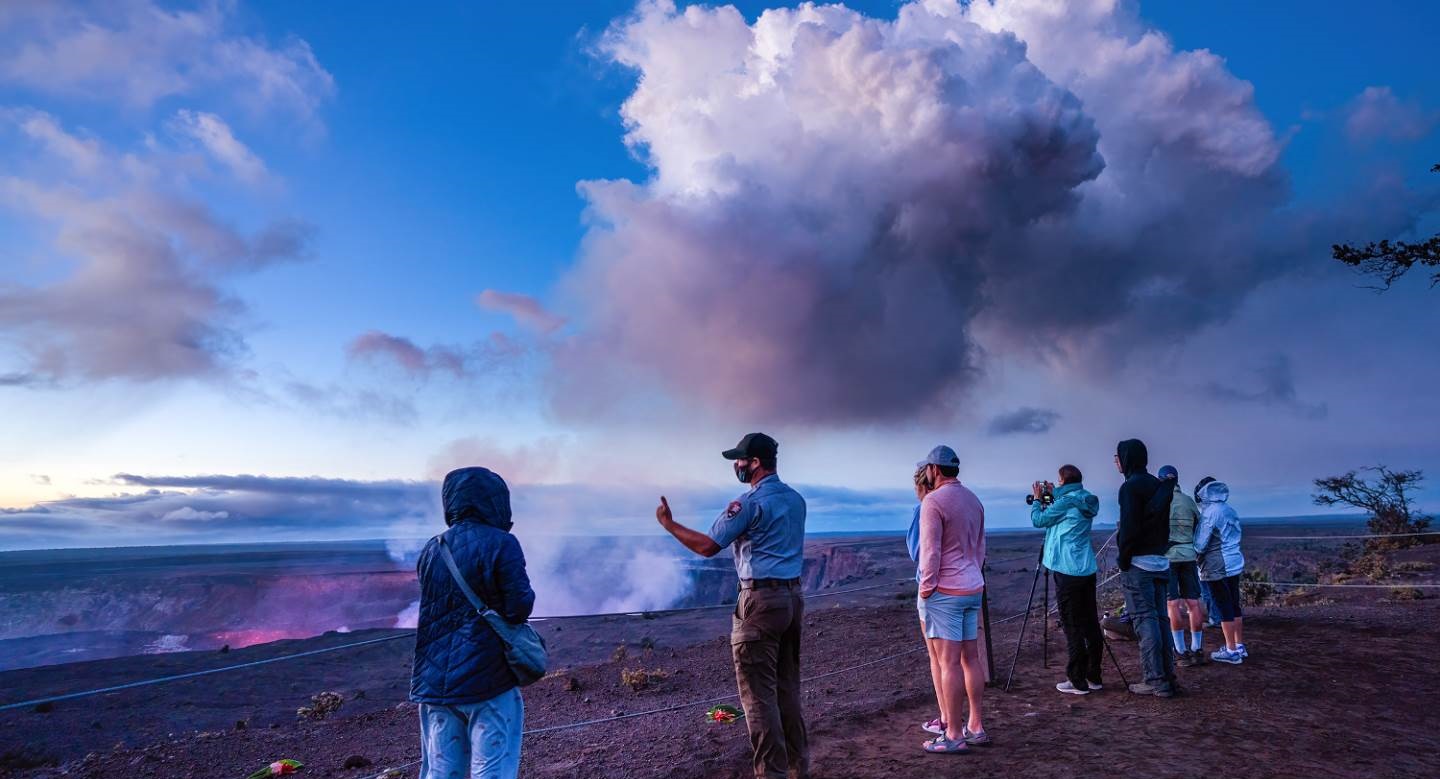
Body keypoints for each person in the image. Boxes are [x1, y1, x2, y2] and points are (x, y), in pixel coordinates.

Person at [655, 433, 809, 779]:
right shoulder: (796, 500)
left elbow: (709, 546)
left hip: (760, 603)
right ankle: (799, 769)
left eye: (740, 460)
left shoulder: (747, 504)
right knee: (787, 688)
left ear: (755, 463)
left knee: (758, 698)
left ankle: (771, 774)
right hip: (793, 599)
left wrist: (669, 524)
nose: (736, 466)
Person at [410, 467, 535, 779]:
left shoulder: (432, 547)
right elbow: (519, 607)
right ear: (496, 502)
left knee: (440, 771)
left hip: (435, 684)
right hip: (487, 681)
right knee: (491, 770)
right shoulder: (502, 543)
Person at [914, 445, 990, 755]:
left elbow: (930, 552)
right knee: (971, 659)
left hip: (945, 592)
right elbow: (980, 547)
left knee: (948, 663)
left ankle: (954, 734)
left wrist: (926, 588)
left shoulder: (932, 502)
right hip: (972, 586)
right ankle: (976, 726)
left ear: (933, 469)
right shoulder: (974, 500)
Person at [1030, 464, 1104, 695]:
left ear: (1063, 481)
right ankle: (1093, 676)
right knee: (1090, 622)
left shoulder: (1064, 502)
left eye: (1058, 481)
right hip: (1085, 567)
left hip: (1066, 568)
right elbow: (1058, 512)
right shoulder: (1087, 499)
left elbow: (1040, 520)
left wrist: (1036, 499)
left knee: (1072, 624)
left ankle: (1076, 680)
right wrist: (1051, 496)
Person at [1114, 439, 1178, 698]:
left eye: (1118, 456)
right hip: (1161, 561)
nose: (1116, 461)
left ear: (1127, 458)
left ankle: (1155, 679)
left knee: (1145, 619)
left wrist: (1123, 557)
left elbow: (1129, 526)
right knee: (1162, 619)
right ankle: (1168, 676)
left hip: (1139, 562)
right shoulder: (1156, 484)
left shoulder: (1130, 488)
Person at [906, 465, 950, 738]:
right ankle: (973, 724)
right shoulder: (960, 503)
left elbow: (918, 551)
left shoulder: (924, 508)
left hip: (934, 588)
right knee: (962, 660)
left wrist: (925, 589)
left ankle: (947, 719)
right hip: (962, 585)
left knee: (939, 659)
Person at [1158, 465, 1207, 667]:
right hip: (1188, 555)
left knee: (1172, 604)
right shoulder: (1188, 501)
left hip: (1168, 557)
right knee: (1193, 603)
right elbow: (1200, 526)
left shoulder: (1161, 502)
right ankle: (1197, 649)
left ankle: (1180, 651)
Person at [1196, 479, 1247, 665]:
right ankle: (1239, 645)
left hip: (1218, 564)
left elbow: (1200, 544)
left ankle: (1231, 650)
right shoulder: (1229, 509)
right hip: (1234, 560)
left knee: (1223, 605)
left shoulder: (1210, 513)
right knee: (1234, 604)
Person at [1194, 477, 1222, 628]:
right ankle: (1222, 617)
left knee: (1209, 591)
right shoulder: (1222, 510)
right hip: (1221, 559)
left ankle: (1215, 619)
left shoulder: (1206, 514)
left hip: (1208, 560)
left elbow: (1202, 540)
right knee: (1217, 590)